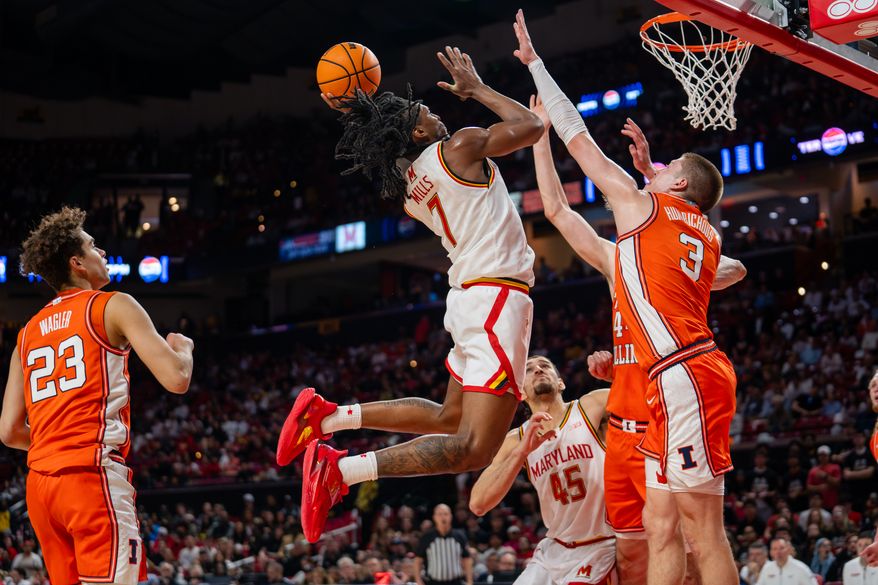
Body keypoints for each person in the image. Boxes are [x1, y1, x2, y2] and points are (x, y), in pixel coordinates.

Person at [276, 46, 544, 542]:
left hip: (470, 298)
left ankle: (329, 417)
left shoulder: (410, 186)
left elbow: (395, 146)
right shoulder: (459, 147)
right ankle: (342, 473)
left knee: (449, 417)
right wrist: (478, 88)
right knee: (474, 448)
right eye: (426, 111)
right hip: (496, 299)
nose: (436, 110)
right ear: (418, 132)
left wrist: (360, 110)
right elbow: (531, 126)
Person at [514, 10, 739, 585]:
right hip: (668, 382)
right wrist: (649, 179)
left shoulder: (648, 212)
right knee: (660, 528)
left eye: (665, 169)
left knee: (700, 532)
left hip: (683, 374)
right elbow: (726, 269)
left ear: (679, 185)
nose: (653, 169)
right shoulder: (702, 235)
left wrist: (538, 67)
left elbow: (580, 138)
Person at [0, 207, 195, 585]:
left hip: (41, 489)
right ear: (78, 264)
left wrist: (55, 446)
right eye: (94, 246)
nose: (102, 252)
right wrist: (183, 348)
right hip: (90, 478)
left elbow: (9, 432)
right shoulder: (112, 304)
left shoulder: (26, 334)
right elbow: (176, 379)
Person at [470, 355, 615, 585]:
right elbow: (478, 503)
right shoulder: (517, 439)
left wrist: (614, 374)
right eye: (529, 369)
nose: (538, 370)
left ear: (561, 383)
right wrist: (521, 454)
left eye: (546, 365)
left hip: (600, 545)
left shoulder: (590, 406)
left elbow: (646, 397)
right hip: (554, 548)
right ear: (522, 393)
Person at [415, 504, 474, 585]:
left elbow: (467, 559)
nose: (443, 517)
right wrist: (418, 580)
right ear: (434, 517)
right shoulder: (427, 537)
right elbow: (418, 560)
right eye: (439, 514)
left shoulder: (459, 536)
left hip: (455, 581)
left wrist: (470, 581)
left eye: (446, 514)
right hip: (433, 582)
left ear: (451, 516)